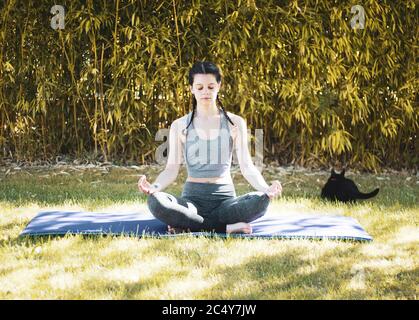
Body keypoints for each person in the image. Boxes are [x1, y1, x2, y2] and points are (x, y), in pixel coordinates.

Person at [138, 61, 282, 234]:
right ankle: (224, 228)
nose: (205, 91)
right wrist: (155, 187)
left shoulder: (234, 123)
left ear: (219, 86)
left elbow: (247, 166)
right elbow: (170, 170)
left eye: (210, 86)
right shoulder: (180, 125)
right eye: (199, 87)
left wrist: (266, 188)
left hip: (225, 202)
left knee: (261, 201)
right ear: (191, 88)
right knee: (156, 202)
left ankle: (190, 226)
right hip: (191, 202)